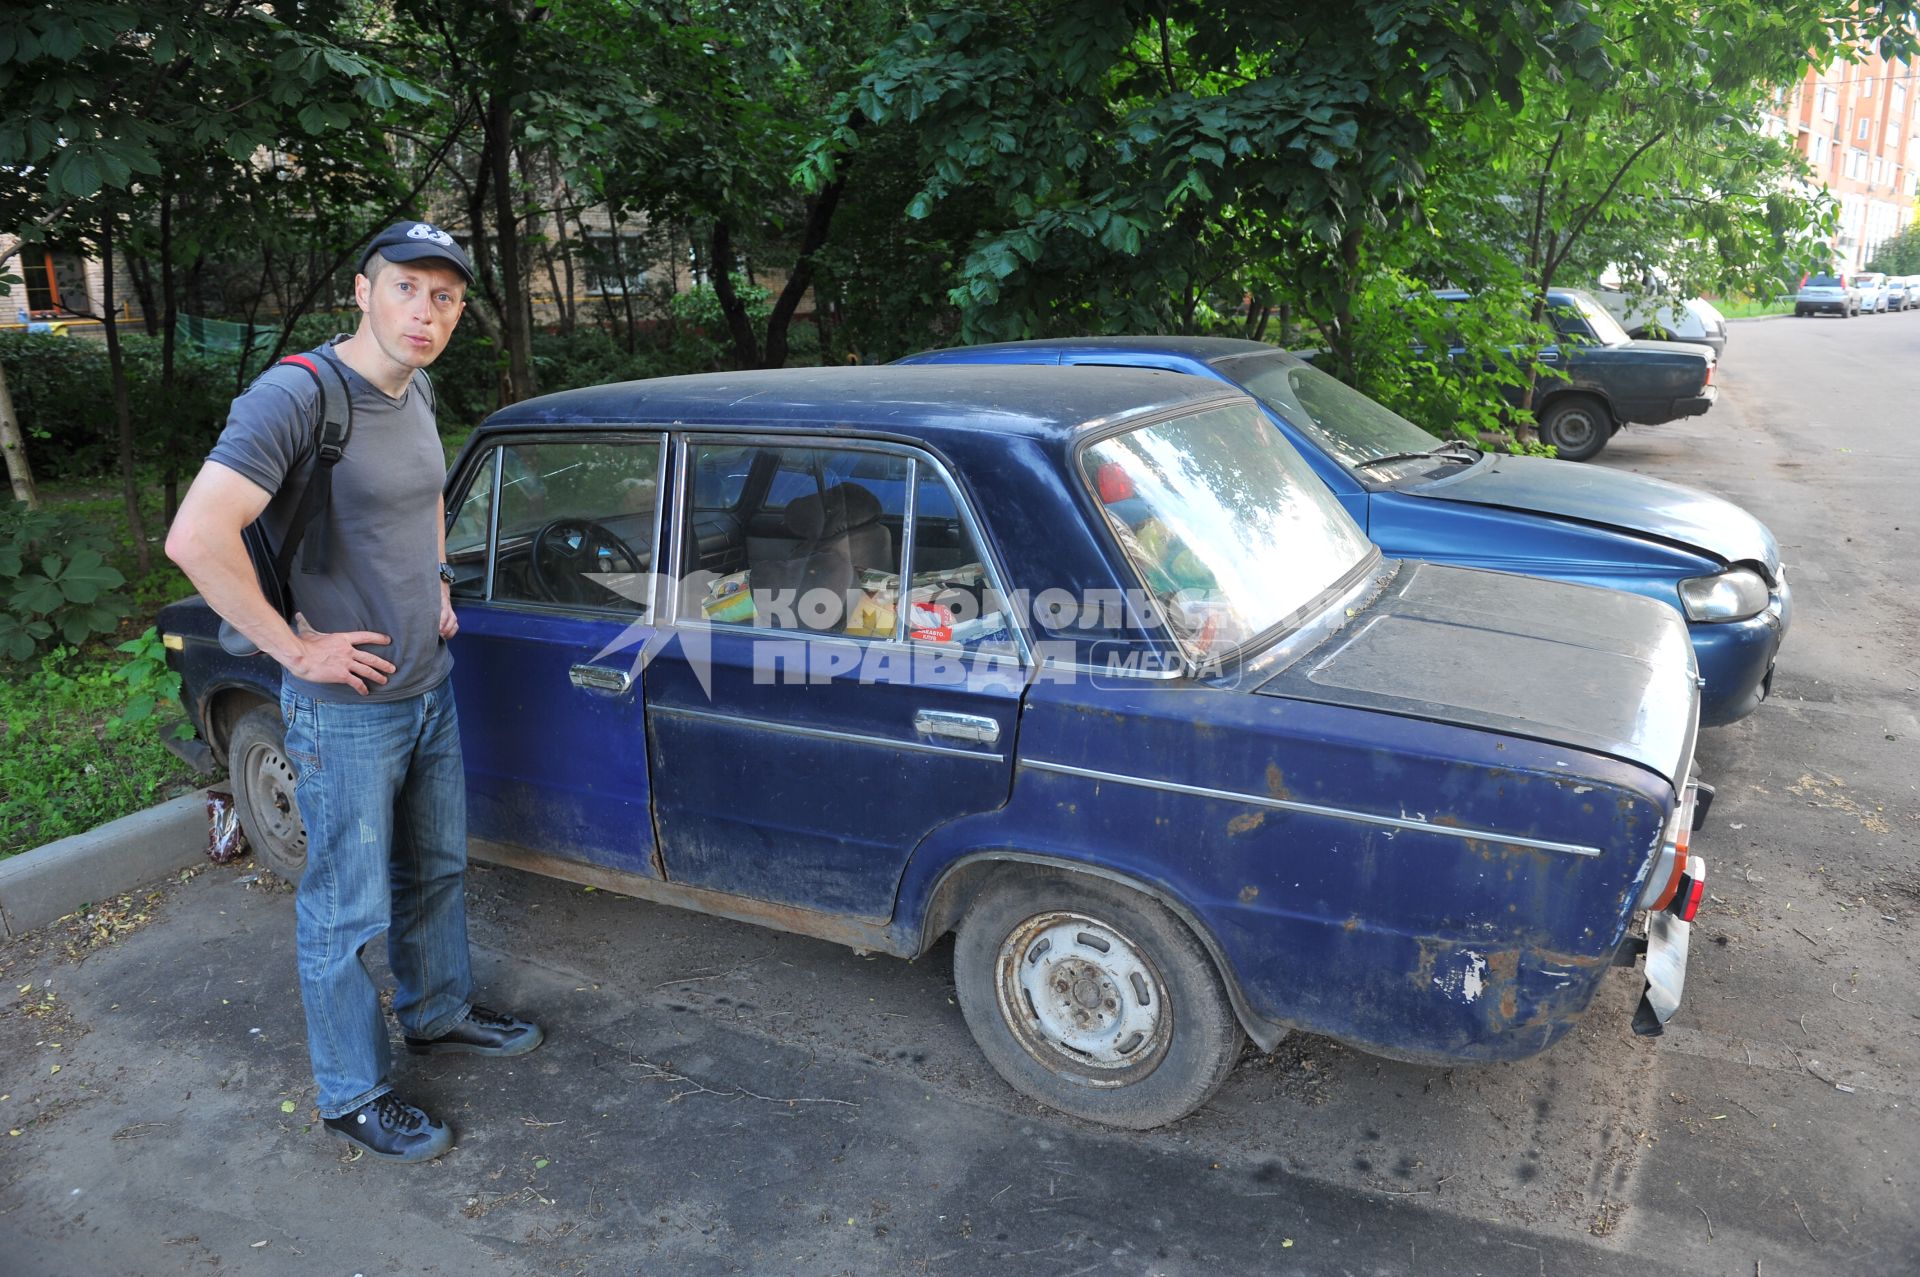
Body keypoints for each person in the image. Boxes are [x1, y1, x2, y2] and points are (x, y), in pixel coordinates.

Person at [166, 220, 541, 1164]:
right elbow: (196, 536)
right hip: (347, 711)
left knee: (439, 870)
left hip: (428, 686)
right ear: (363, 291)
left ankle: (439, 1010)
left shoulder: (413, 392)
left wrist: (441, 584)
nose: (426, 311)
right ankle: (351, 1092)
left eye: (445, 296)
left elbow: (422, 506)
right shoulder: (296, 395)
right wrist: (294, 648)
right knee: (346, 907)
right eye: (408, 288)